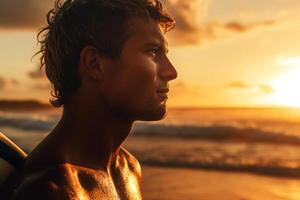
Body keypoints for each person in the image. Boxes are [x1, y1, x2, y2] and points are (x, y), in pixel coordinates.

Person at [0, 0, 177, 199]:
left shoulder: (128, 168)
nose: (171, 72)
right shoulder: (50, 190)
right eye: (152, 52)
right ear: (94, 64)